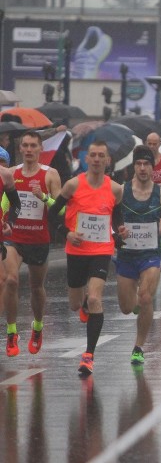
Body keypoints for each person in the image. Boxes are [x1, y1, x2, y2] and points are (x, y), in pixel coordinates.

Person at [48, 140, 126, 375]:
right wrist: (67, 233)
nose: (96, 159)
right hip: (77, 250)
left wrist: (120, 231)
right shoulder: (73, 185)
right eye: (92, 155)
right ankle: (82, 302)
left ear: (107, 160)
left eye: (101, 155)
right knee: (75, 304)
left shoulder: (115, 189)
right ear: (86, 159)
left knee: (95, 299)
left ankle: (89, 355)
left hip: (101, 250)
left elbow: (117, 218)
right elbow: (52, 214)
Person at [115, 146, 161, 365]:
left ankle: (138, 347)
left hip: (150, 255)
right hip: (126, 255)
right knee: (126, 308)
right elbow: (109, 219)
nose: (143, 168)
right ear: (133, 166)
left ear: (153, 168)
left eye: (147, 164)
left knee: (145, 297)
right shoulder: (120, 192)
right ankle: (133, 302)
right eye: (139, 164)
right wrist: (116, 233)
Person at [3, 132, 60, 357]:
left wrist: (43, 197)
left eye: (32, 146)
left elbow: (62, 208)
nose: (28, 149)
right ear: (20, 148)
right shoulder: (11, 173)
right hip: (14, 238)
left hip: (38, 239)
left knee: (37, 288)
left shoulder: (50, 175)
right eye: (25, 145)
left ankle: (37, 327)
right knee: (11, 280)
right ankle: (11, 332)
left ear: (40, 148)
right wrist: (3, 218)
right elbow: (5, 201)